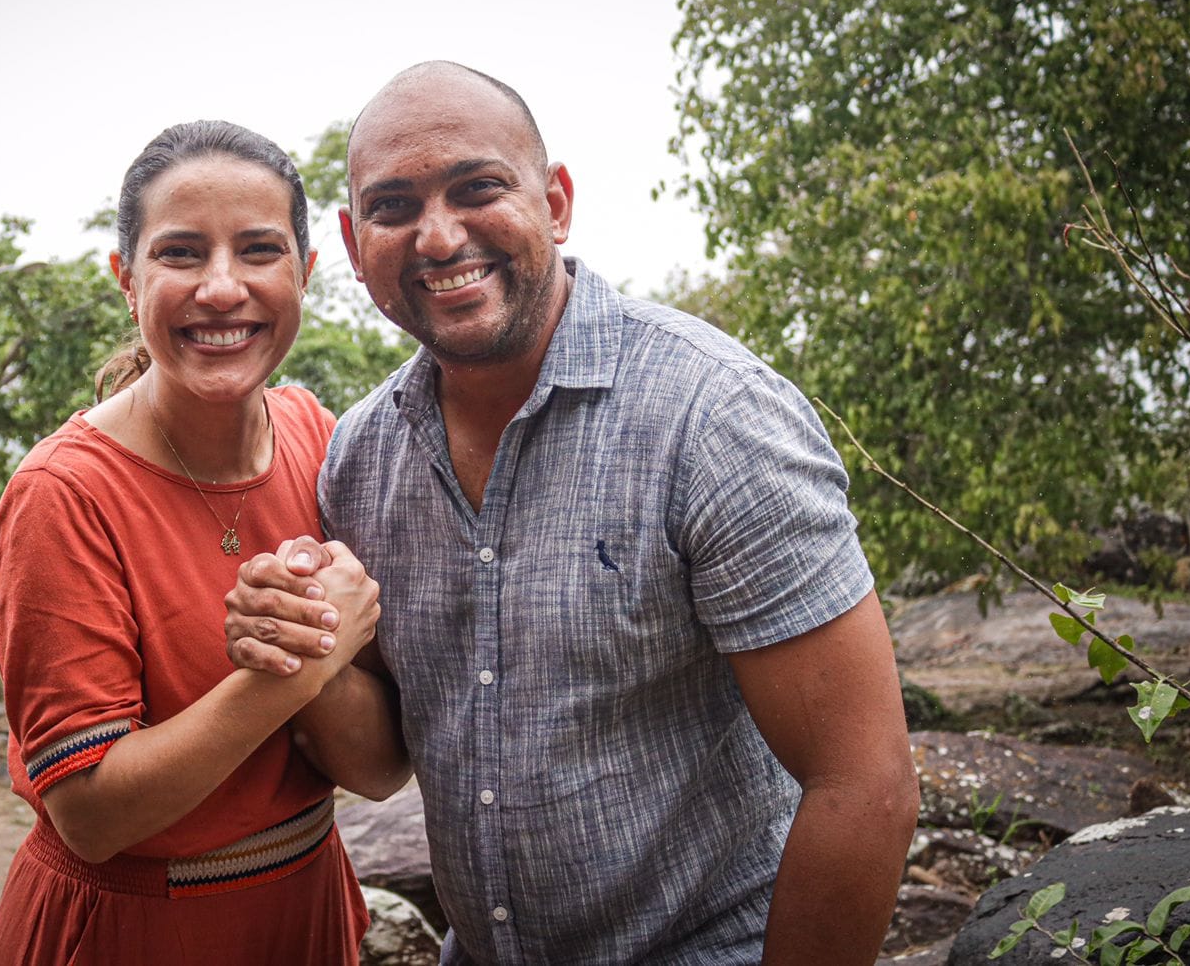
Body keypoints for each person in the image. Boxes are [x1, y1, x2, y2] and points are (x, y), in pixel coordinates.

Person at [224, 62, 920, 965]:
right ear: (357, 248)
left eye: (478, 188)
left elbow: (865, 782)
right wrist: (294, 645)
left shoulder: (710, 417)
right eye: (395, 207)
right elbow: (384, 759)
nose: (438, 237)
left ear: (555, 203)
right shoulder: (361, 460)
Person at [0, 120, 408, 966]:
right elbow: (94, 816)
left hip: (304, 909)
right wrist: (300, 657)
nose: (222, 288)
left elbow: (381, 769)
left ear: (306, 273)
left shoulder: (314, 437)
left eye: (258, 250)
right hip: (129, 929)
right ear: (125, 280)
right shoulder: (63, 497)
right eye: (181, 253)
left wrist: (298, 653)